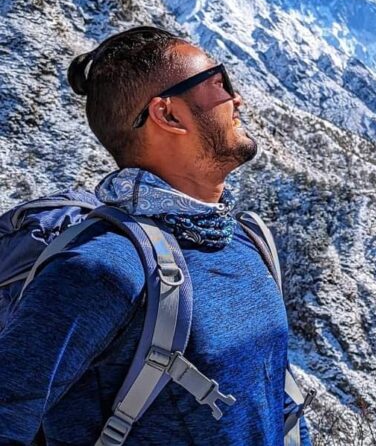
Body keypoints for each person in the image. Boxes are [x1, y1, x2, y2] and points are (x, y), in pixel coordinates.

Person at [0, 26, 311, 445]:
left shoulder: (246, 239)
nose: (237, 98)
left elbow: (279, 403)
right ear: (167, 115)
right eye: (219, 83)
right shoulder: (100, 269)